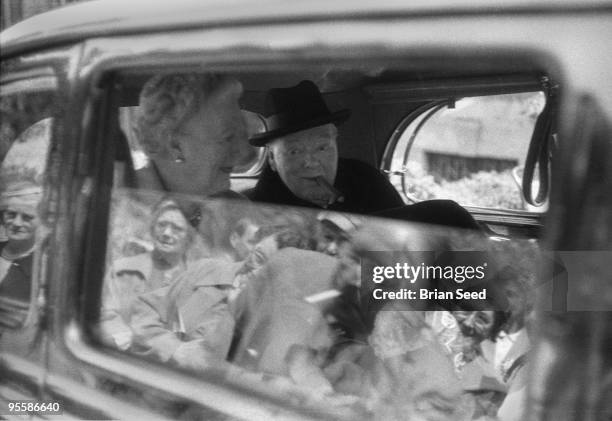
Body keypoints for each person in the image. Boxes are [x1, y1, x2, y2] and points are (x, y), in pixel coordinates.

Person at [246, 80, 405, 214]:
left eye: (322, 148)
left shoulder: (367, 181)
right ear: (272, 159)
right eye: (294, 151)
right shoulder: (258, 209)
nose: (311, 162)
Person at [132, 73, 249, 207]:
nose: (241, 154)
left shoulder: (236, 208)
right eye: (227, 138)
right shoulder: (120, 211)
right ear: (175, 146)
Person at [99, 199, 194, 350]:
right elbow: (107, 316)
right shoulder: (123, 270)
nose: (166, 233)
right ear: (152, 228)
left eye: (177, 228)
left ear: (189, 238)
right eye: (161, 225)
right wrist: (131, 343)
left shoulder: (198, 281)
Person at [0, 183, 41, 302]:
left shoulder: (41, 266)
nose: (17, 223)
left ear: (40, 220)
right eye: (11, 214)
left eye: (27, 217)